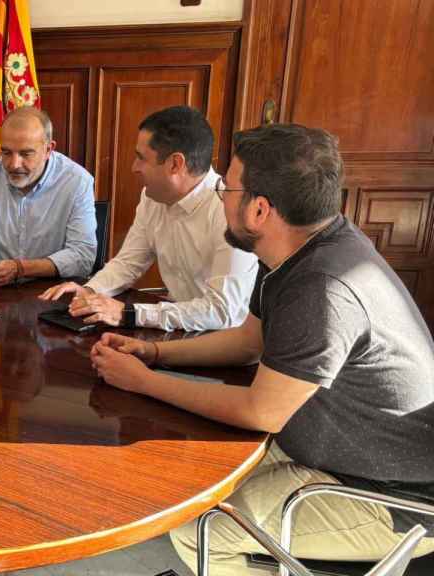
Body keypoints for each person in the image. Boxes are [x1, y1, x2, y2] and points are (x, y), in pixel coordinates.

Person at [89, 124, 434, 574]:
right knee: (186, 482)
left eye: (226, 187)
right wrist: (153, 355)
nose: (220, 196)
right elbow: (249, 340)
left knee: (200, 529)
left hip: (390, 497)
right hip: (325, 450)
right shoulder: (296, 252)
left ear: (259, 210)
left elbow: (262, 411)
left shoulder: (324, 287)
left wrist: (146, 383)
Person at [40, 106, 258, 331]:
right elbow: (129, 263)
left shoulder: (230, 211)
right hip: (175, 331)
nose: (134, 168)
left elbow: (222, 311)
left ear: (175, 164)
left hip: (225, 345)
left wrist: (131, 314)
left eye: (141, 158)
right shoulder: (152, 196)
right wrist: (90, 290)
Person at [0, 106, 97, 287]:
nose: (14, 164)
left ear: (48, 149)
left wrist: (20, 268)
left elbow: (83, 256)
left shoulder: (77, 181)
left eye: (26, 153)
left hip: (53, 291)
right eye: (6, 152)